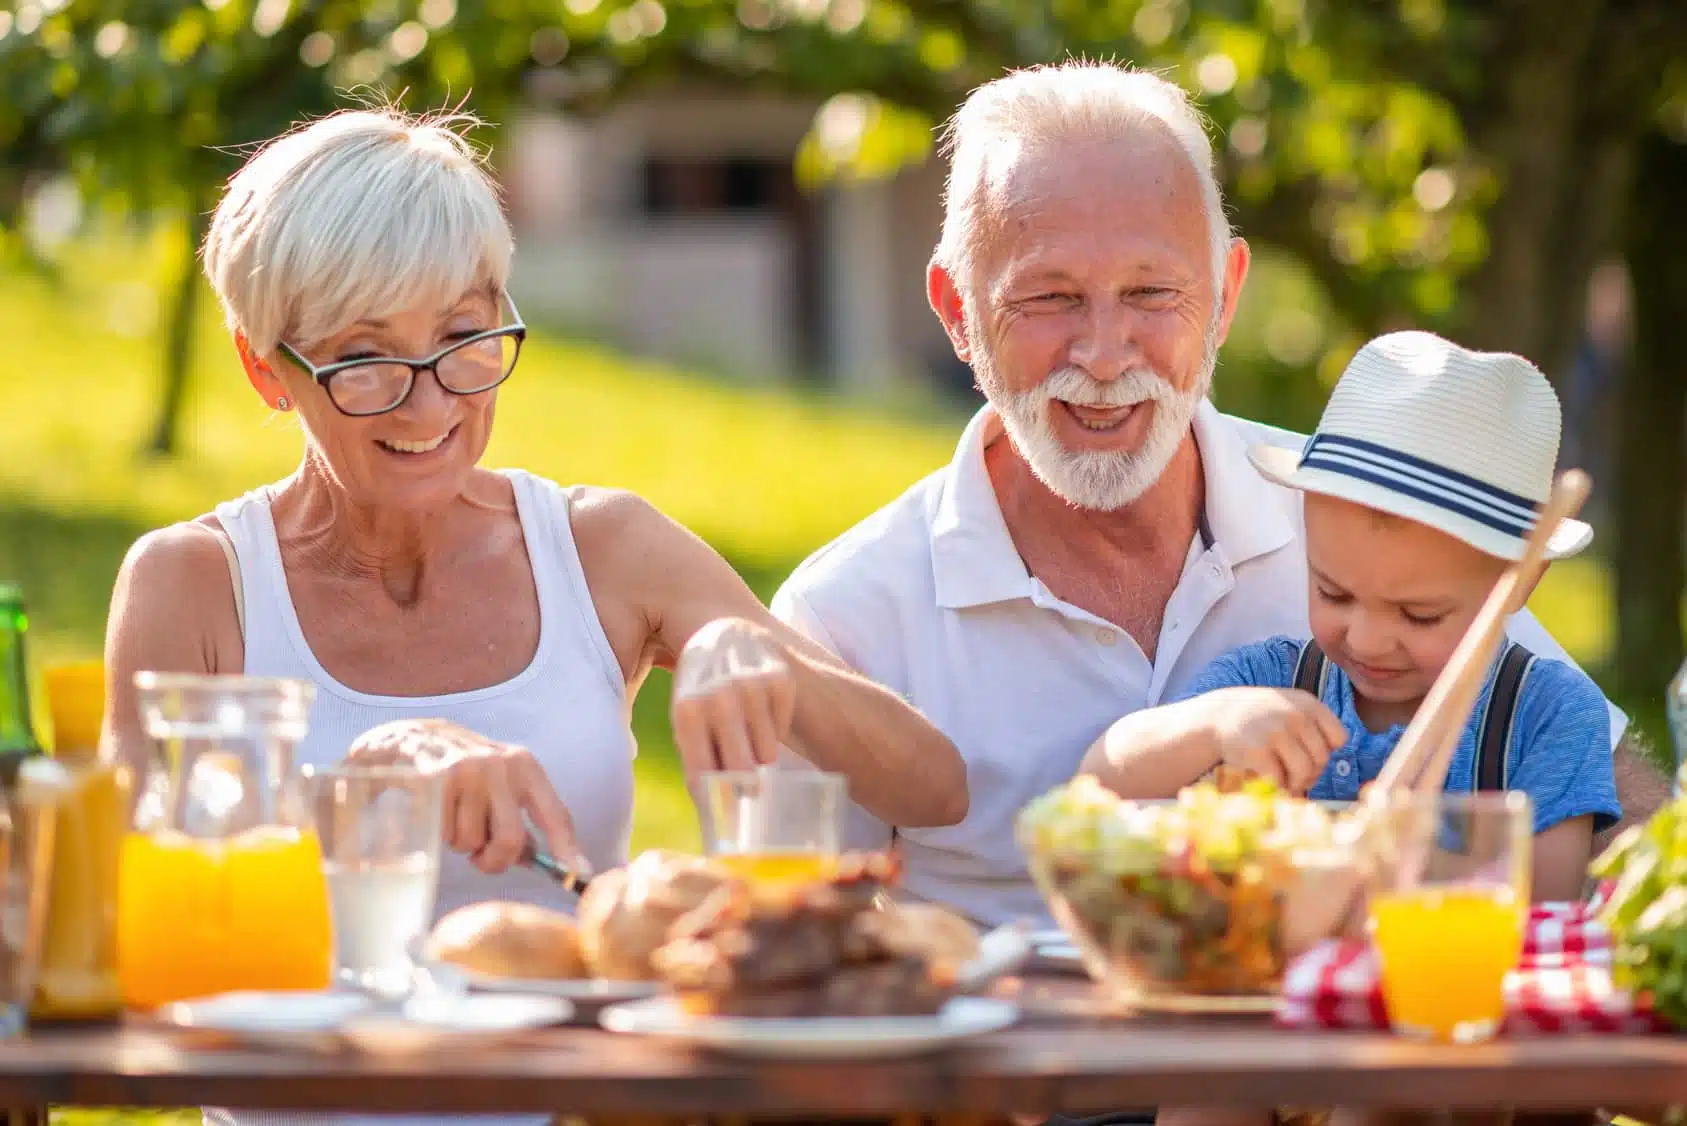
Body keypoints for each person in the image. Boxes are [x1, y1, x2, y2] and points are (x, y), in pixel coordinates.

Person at [101, 104, 968, 1011]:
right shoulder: (194, 585)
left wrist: (759, 656)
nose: (428, 408)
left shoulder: (605, 549)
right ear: (266, 369)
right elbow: (123, 905)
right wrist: (378, 769)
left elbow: (931, 787)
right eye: (364, 359)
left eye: (462, 338)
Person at [770, 60, 1666, 933]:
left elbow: (1606, 792)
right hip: (1015, 1080)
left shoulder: (1369, 507)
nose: (1106, 353)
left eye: (1152, 292)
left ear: (1226, 295)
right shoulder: (844, 614)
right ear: (958, 313)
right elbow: (796, 954)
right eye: (1048, 298)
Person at [1080, 329, 1619, 904]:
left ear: (1524, 581)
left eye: (1418, 615)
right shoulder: (1265, 686)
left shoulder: (1546, 717)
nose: (1365, 639)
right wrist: (1211, 724)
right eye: (1332, 593)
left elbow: (1541, 908)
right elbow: (1097, 788)